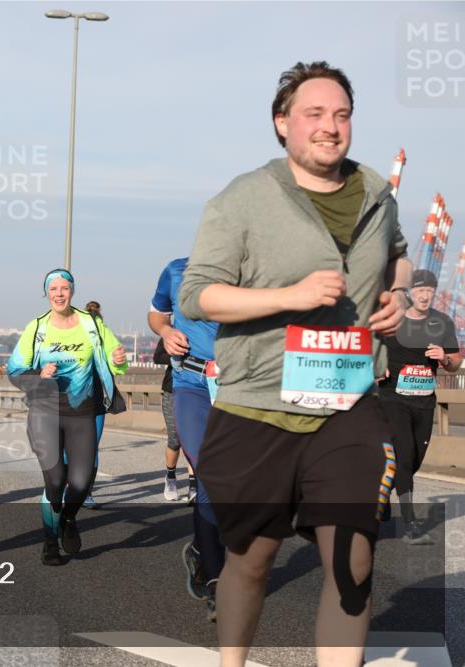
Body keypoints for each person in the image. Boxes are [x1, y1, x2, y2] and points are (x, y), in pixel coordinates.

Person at [179, 62, 412, 666]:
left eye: (341, 114)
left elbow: (398, 254)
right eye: (314, 114)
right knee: (251, 560)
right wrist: (289, 296)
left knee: (353, 561)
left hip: (349, 404)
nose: (330, 126)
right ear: (283, 123)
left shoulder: (377, 193)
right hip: (258, 406)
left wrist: (400, 293)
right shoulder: (243, 198)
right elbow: (198, 295)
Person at [8, 269, 127, 565]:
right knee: (56, 479)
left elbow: (114, 358)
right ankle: (50, 542)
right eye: (53, 289)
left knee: (82, 482)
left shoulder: (92, 324)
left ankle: (69, 519)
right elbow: (15, 370)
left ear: (72, 291)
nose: (59, 294)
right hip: (44, 412)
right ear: (46, 293)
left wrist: (118, 361)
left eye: (64, 288)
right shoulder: (37, 327)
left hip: (82, 413)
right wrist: (39, 374)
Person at [149, 257, 223, 621]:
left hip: (241, 386)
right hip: (192, 383)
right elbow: (156, 314)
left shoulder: (260, 270)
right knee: (208, 472)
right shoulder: (177, 270)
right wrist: (165, 331)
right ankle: (217, 580)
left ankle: (199, 549)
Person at [379, 269, 461, 544]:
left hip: (424, 401)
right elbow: (369, 346)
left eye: (429, 290)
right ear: (409, 292)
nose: (425, 295)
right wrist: (376, 366)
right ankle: (410, 523)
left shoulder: (442, 322)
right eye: (419, 290)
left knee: (414, 459)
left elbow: (455, 362)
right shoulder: (392, 320)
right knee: (404, 454)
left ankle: (383, 492)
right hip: (393, 398)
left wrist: (444, 358)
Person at [153, 341, 196, 503]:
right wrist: (177, 357)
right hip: (172, 390)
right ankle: (170, 477)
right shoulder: (173, 333)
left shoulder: (204, 333)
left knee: (193, 440)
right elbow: (157, 357)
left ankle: (193, 486)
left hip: (196, 390)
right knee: (175, 440)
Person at [82, 300, 107, 510]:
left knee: (92, 447)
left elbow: (117, 367)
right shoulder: (72, 345)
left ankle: (86, 492)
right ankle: (69, 486)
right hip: (72, 402)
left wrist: (118, 361)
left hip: (97, 401)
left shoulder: (104, 344)